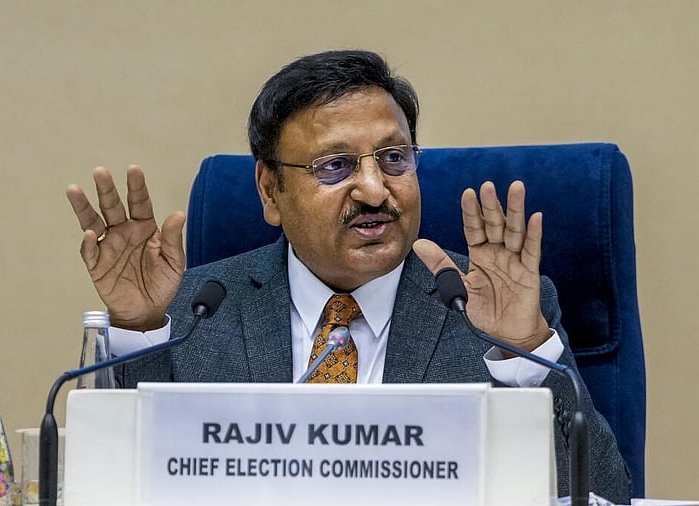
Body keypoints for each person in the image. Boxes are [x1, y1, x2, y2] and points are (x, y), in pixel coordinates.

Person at [65, 49, 631, 502]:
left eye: (394, 158)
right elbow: (111, 488)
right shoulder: (193, 311)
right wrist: (138, 331)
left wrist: (524, 352)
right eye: (335, 166)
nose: (375, 190)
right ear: (270, 191)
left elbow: (604, 495)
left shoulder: (487, 310)